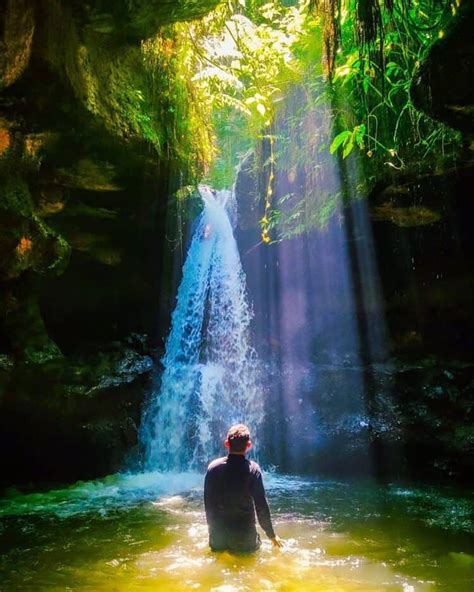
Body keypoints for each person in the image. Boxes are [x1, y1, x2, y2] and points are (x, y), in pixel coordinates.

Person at [204, 423, 283, 553]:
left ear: (226, 444)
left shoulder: (213, 468)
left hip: (218, 537)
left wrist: (213, 533)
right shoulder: (253, 470)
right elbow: (261, 506)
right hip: (244, 538)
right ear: (249, 445)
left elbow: (208, 504)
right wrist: (271, 535)